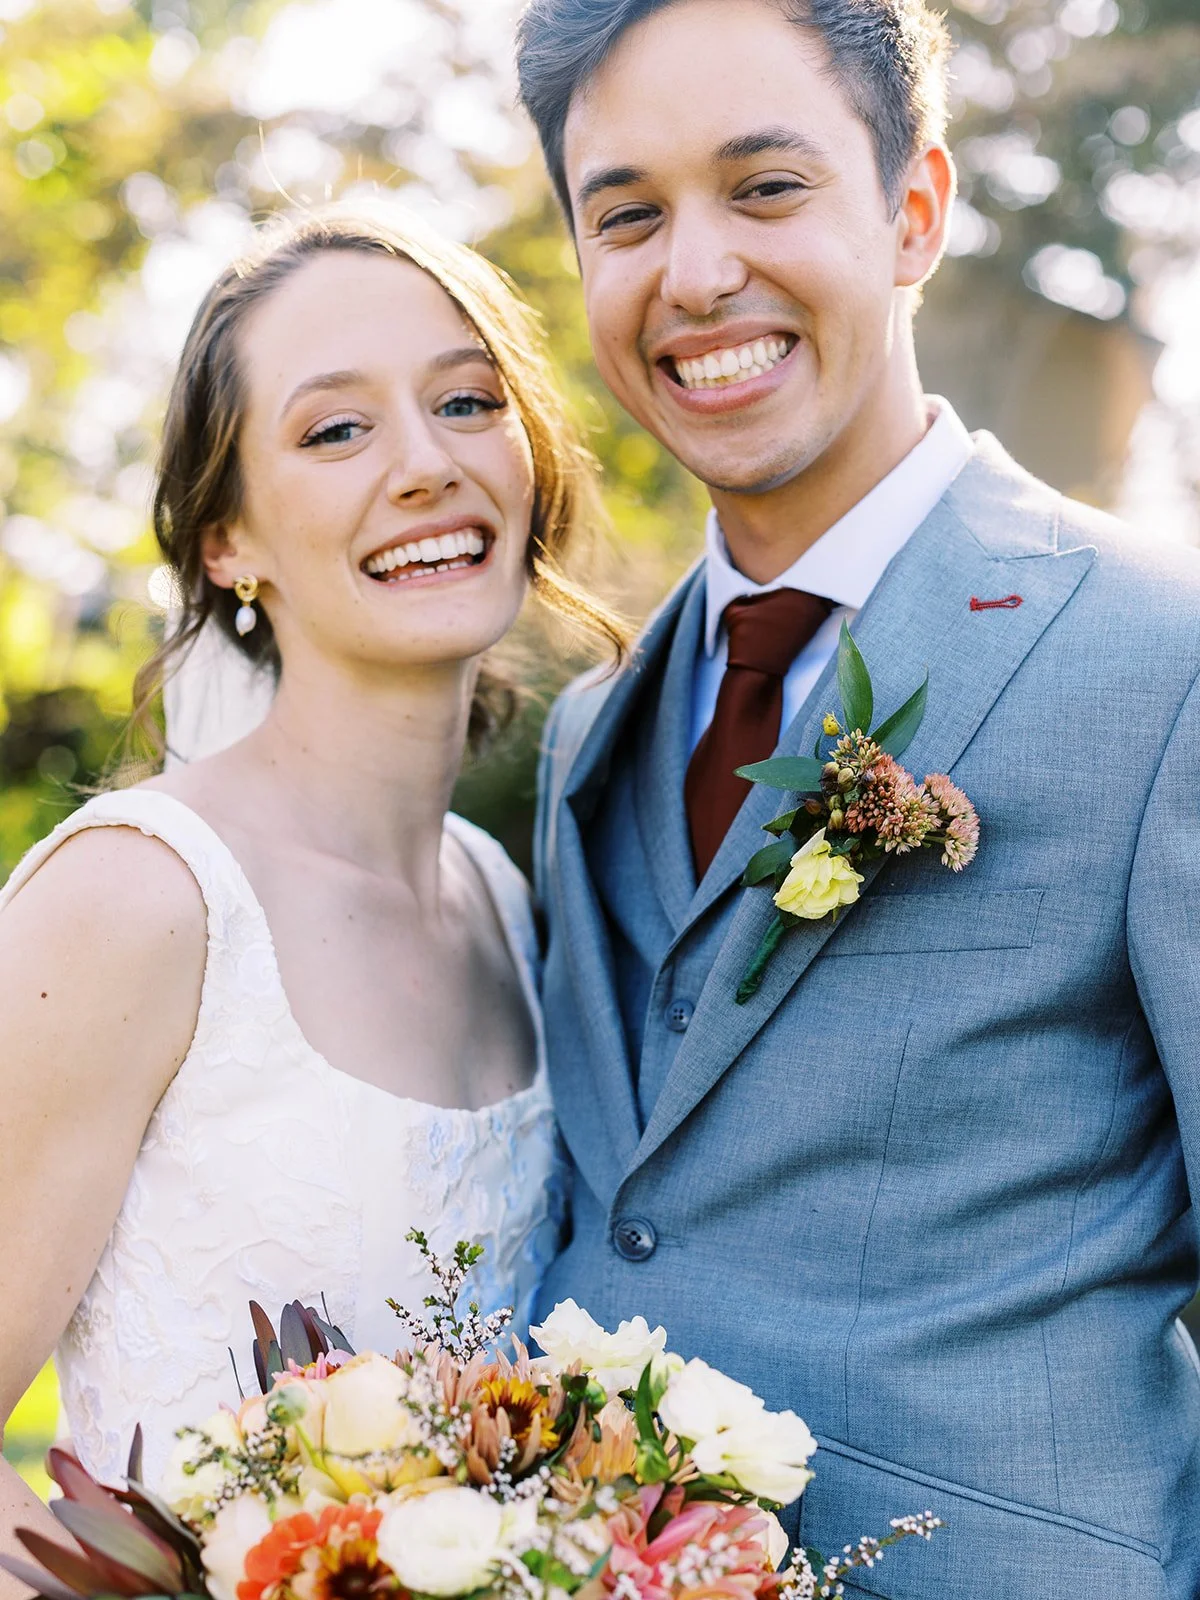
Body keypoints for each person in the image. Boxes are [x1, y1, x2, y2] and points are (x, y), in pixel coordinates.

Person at [515, 0, 1200, 1594]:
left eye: (764, 188)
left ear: (913, 214)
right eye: (627, 216)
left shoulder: (1162, 659)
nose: (693, 274)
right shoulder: (590, 731)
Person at [0, 208, 621, 1568]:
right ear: (228, 541)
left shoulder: (505, 900)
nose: (426, 465)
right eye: (336, 431)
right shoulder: (140, 900)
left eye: (468, 402)